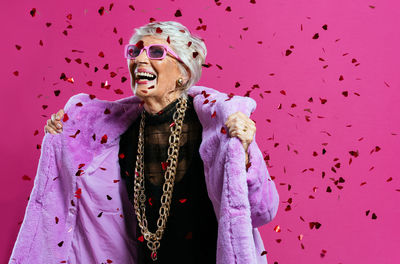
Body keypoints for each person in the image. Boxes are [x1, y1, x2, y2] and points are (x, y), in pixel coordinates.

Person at [10, 21, 279, 264]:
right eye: (134, 52)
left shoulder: (216, 129)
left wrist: (244, 153)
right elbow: (76, 194)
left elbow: (261, 211)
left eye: (156, 53)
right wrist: (64, 135)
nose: (140, 60)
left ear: (183, 72)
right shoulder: (117, 134)